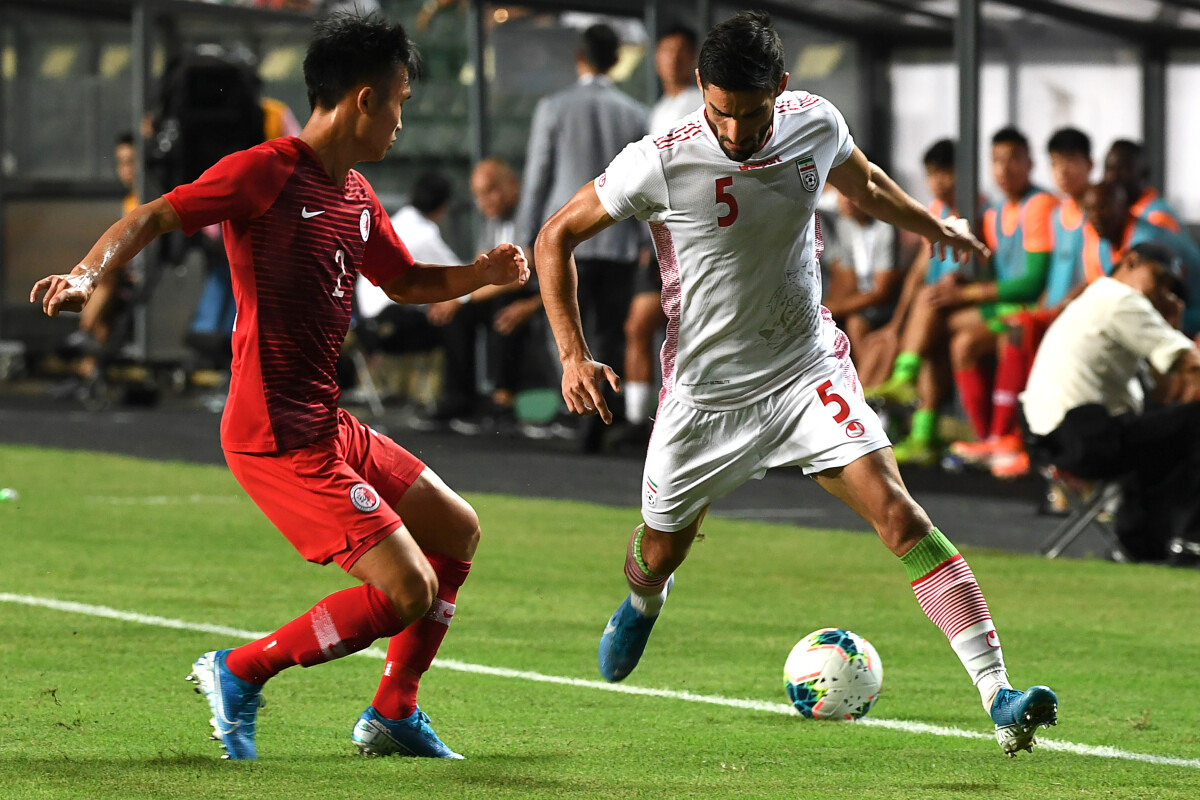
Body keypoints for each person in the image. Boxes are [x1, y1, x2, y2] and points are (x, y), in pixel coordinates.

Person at [534, 11, 1056, 757]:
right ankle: (643, 603)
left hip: (806, 370)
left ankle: (998, 696)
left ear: (781, 90)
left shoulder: (813, 122)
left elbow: (867, 182)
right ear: (698, 93)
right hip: (705, 401)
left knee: (900, 516)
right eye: (719, 112)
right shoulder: (658, 159)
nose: (736, 133)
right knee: (657, 551)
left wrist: (931, 228)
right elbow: (555, 236)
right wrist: (572, 354)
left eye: (750, 116)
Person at [30, 11, 528, 761]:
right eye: (400, 100)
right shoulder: (265, 170)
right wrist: (85, 274)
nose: (401, 120)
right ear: (365, 99)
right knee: (408, 590)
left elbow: (406, 281)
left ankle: (394, 712)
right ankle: (239, 669)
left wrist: (481, 276)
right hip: (273, 434)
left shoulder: (355, 194)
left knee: (457, 529)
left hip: (326, 424)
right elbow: (156, 216)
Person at [870, 127, 1057, 463]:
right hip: (992, 304)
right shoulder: (988, 209)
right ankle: (934, 431)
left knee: (939, 321)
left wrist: (967, 290)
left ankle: (912, 390)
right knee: (942, 335)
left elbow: (1028, 282)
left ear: (1030, 162)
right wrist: (897, 324)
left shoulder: (1018, 206)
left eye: (1013, 159)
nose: (1004, 168)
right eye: (998, 160)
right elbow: (921, 271)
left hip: (1021, 309)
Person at [516, 22, 649, 452]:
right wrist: (649, 242)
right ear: (615, 61)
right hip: (618, 242)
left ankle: (571, 411)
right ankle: (598, 420)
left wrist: (524, 242)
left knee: (564, 326)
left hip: (565, 243)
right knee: (608, 332)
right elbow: (646, 184)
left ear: (580, 57)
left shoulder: (553, 107)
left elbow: (538, 179)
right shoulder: (634, 112)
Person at [1023, 242, 1200, 561]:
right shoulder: (1122, 300)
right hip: (1081, 432)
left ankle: (1141, 545)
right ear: (1130, 263)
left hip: (1058, 436)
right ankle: (1191, 541)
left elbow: (1164, 393)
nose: (1162, 292)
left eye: (1169, 288)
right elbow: (1190, 363)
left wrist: (1169, 328)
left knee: (1163, 433)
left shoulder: (1099, 300)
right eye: (1159, 280)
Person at [950, 127, 1094, 478]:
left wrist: (971, 294)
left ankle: (1009, 439)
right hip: (1045, 312)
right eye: (1057, 164)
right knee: (960, 338)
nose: (1063, 172)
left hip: (1070, 317)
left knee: (1013, 333)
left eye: (1071, 163)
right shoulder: (1057, 214)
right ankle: (991, 439)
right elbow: (1051, 283)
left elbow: (1069, 277)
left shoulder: (1075, 209)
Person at [619, 24, 704, 444]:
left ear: (692, 60)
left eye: (680, 51)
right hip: (656, 241)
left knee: (689, 332)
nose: (671, 58)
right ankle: (639, 421)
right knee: (638, 326)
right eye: (665, 50)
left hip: (691, 240)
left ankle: (686, 421)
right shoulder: (654, 110)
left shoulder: (700, 105)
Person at [421, 158, 546, 432]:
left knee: (506, 309)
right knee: (456, 315)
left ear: (514, 185)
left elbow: (518, 275)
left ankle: (503, 401)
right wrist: (455, 298)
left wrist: (461, 297)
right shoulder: (491, 222)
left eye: (490, 191)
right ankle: (460, 399)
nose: (484, 202)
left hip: (541, 297)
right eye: (478, 195)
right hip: (510, 294)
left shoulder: (533, 214)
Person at [862, 139, 964, 452]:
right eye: (932, 174)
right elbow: (919, 270)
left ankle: (903, 381)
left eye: (946, 172)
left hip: (958, 302)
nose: (938, 181)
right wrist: (896, 322)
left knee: (928, 303)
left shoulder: (974, 207)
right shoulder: (934, 211)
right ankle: (921, 436)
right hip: (933, 306)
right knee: (919, 341)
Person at [352, 171, 453, 372]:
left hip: (366, 323)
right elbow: (457, 275)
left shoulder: (394, 223)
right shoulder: (425, 234)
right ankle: (460, 394)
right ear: (442, 208)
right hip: (393, 320)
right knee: (456, 321)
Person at [821, 189, 902, 367]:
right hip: (860, 302)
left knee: (855, 323)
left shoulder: (884, 227)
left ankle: (864, 387)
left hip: (885, 305)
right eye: (842, 193)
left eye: (851, 193)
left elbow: (882, 292)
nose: (846, 200)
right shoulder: (844, 225)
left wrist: (835, 308)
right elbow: (846, 278)